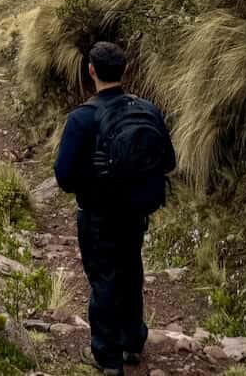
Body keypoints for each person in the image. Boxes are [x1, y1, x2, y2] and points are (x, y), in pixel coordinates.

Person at [53, 41, 175, 376]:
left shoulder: (82, 118)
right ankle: (133, 342)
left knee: (104, 278)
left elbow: (63, 176)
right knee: (131, 270)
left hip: (97, 215)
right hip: (136, 212)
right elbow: (169, 161)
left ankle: (107, 357)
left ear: (91, 70)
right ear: (126, 71)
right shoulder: (148, 110)